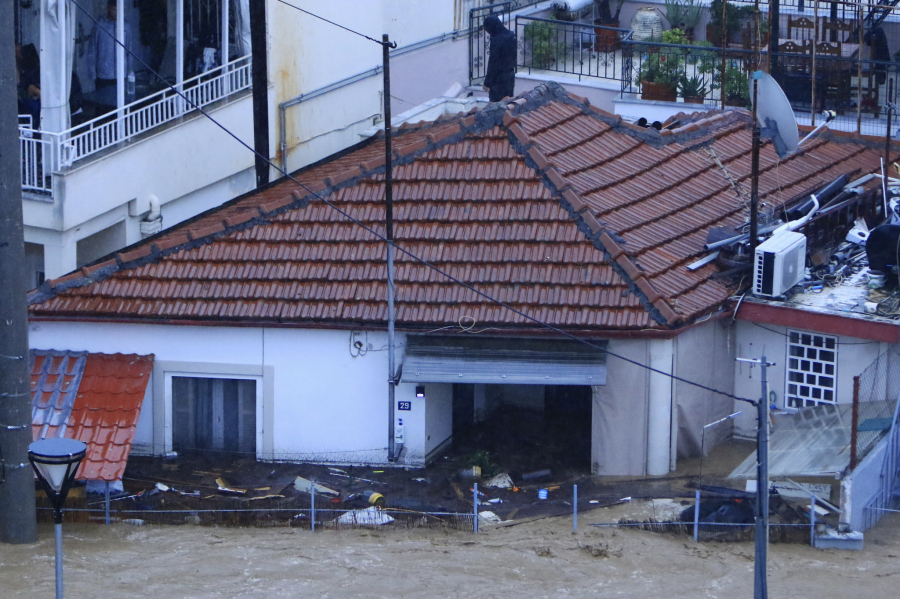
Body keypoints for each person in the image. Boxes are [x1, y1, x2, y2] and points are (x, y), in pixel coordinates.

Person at [482, 15, 516, 103]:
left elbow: (493, 62)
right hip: (510, 75)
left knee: (496, 105)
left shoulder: (497, 40)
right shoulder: (511, 35)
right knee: (508, 102)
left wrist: (487, 82)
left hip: (498, 79)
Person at [94, 0, 121, 91]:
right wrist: (93, 74)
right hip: (103, 75)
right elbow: (92, 51)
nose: (115, 13)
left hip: (121, 74)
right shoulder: (100, 25)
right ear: (108, 9)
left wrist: (128, 71)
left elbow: (128, 51)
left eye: (117, 10)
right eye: (113, 10)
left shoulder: (125, 26)